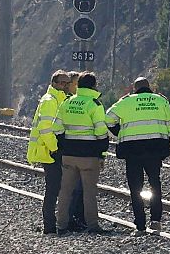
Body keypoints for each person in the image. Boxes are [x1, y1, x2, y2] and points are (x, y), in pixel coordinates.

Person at [106, 77, 170, 236]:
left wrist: (120, 132)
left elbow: (108, 118)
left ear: (134, 88)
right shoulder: (161, 101)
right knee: (155, 183)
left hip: (132, 150)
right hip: (154, 150)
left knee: (135, 187)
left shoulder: (126, 102)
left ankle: (140, 225)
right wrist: (163, 142)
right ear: (149, 87)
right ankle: (156, 221)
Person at [53, 72, 109, 235]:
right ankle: (92, 225)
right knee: (89, 192)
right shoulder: (94, 104)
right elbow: (101, 132)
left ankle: (61, 225)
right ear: (93, 86)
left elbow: (57, 128)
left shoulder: (67, 102)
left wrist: (65, 145)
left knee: (65, 191)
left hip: (69, 154)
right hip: (89, 156)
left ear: (77, 86)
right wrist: (101, 154)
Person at [27, 70, 70, 234]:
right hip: (49, 152)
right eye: (62, 83)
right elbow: (45, 128)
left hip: (50, 151)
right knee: (53, 189)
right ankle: (49, 226)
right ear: (54, 84)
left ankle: (53, 223)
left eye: (67, 83)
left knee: (56, 187)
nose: (65, 86)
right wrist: (55, 148)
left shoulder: (58, 100)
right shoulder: (50, 101)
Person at [65, 71, 86, 231]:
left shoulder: (79, 102)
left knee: (80, 187)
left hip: (78, 150)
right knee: (74, 188)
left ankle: (78, 217)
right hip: (70, 150)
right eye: (75, 83)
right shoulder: (66, 102)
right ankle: (71, 219)